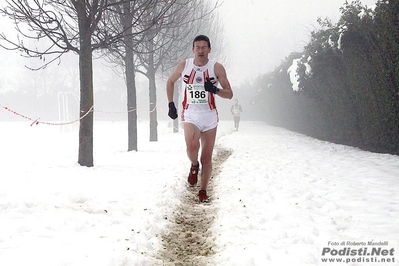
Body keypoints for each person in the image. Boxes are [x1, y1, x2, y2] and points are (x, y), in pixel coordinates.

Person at [166, 35, 233, 203]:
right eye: (198, 47)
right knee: (192, 147)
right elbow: (170, 82)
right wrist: (171, 104)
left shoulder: (216, 68)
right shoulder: (184, 65)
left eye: (204, 47)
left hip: (209, 116)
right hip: (190, 114)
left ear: (209, 49)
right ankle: (194, 165)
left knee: (207, 157)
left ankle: (203, 190)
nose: (201, 51)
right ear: (193, 49)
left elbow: (229, 93)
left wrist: (215, 90)